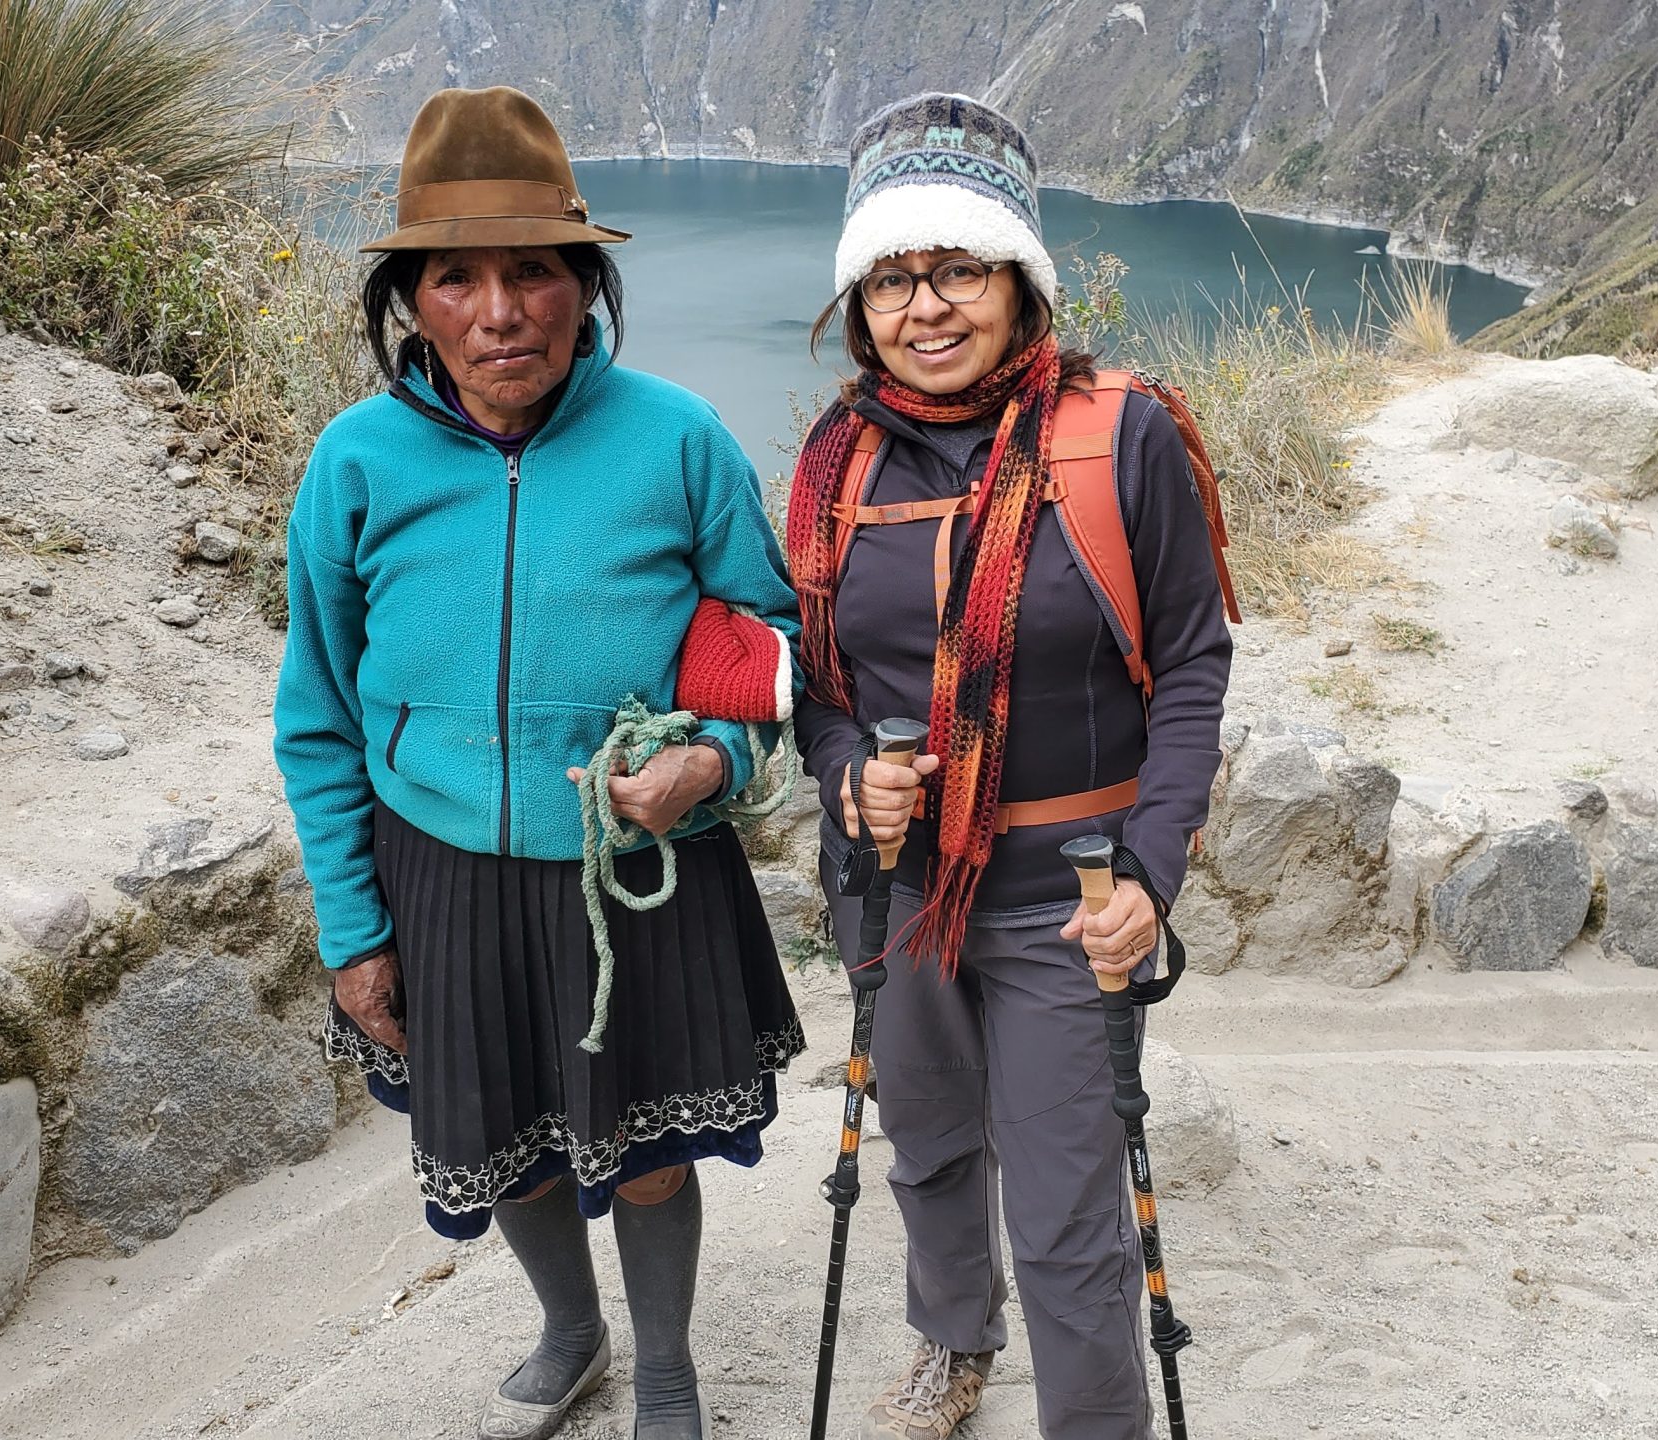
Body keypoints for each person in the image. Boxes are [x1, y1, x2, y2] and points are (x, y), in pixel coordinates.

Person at [273, 86, 803, 1440]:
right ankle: (570, 1333)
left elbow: (771, 645)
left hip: (635, 873)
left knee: (645, 1157)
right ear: (412, 299)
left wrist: (714, 765)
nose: (500, 314)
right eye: (458, 277)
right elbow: (318, 712)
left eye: (533, 273)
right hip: (440, 871)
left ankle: (668, 1369)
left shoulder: (678, 442)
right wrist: (352, 925)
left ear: (585, 285)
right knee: (500, 1142)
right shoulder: (355, 465)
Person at [787, 93, 1234, 1440]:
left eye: (958, 267)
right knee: (926, 1152)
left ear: (1019, 277)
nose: (926, 307)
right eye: (892, 276)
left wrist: (1150, 872)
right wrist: (845, 772)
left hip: (1066, 895)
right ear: (858, 299)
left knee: (1063, 1214)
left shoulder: (1122, 436)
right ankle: (951, 1344)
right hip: (898, 888)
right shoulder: (832, 465)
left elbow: (1194, 666)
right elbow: (820, 691)